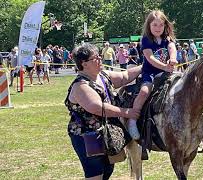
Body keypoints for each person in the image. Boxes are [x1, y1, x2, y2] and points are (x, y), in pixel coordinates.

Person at [65, 43, 141, 179]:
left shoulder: (102, 76)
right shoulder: (80, 85)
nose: (100, 60)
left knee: (107, 170)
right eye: (96, 58)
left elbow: (125, 76)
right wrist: (126, 112)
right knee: (95, 173)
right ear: (84, 63)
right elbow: (97, 107)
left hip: (105, 133)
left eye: (99, 56)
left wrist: (146, 66)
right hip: (86, 136)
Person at [127, 10, 177, 139]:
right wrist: (165, 67)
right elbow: (150, 58)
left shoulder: (167, 39)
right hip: (150, 73)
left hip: (166, 72)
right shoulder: (146, 40)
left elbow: (172, 49)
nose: (158, 28)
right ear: (149, 25)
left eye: (161, 25)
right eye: (155, 25)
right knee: (144, 92)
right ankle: (132, 120)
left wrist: (172, 59)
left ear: (165, 26)